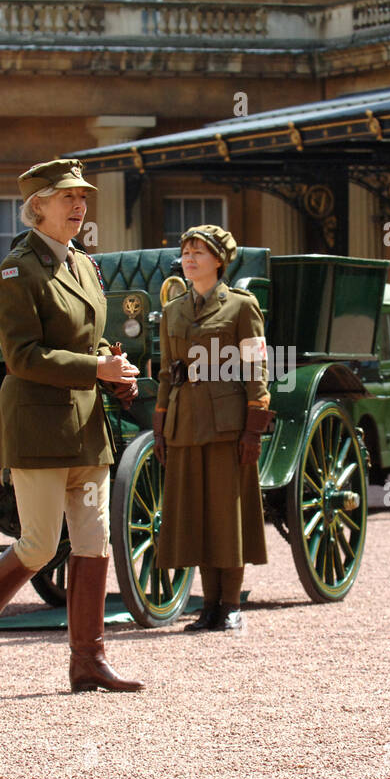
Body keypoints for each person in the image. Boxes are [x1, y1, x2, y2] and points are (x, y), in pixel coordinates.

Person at [0, 158, 143, 693]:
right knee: (36, 545)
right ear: (38, 208)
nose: (79, 205)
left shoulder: (84, 265)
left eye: (82, 196)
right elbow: (23, 357)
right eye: (66, 197)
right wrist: (94, 368)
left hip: (86, 425)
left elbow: (87, 342)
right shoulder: (16, 270)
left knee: (94, 542)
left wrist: (114, 371)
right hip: (36, 426)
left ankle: (88, 659)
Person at [154, 225, 271, 631]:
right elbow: (169, 372)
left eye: (199, 252)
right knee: (197, 514)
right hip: (185, 422)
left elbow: (256, 365)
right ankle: (209, 606)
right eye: (185, 252)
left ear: (219, 261)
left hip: (227, 421)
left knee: (227, 512)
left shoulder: (241, 306)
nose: (189, 258)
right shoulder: (172, 310)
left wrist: (254, 427)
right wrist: (160, 422)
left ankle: (232, 604)